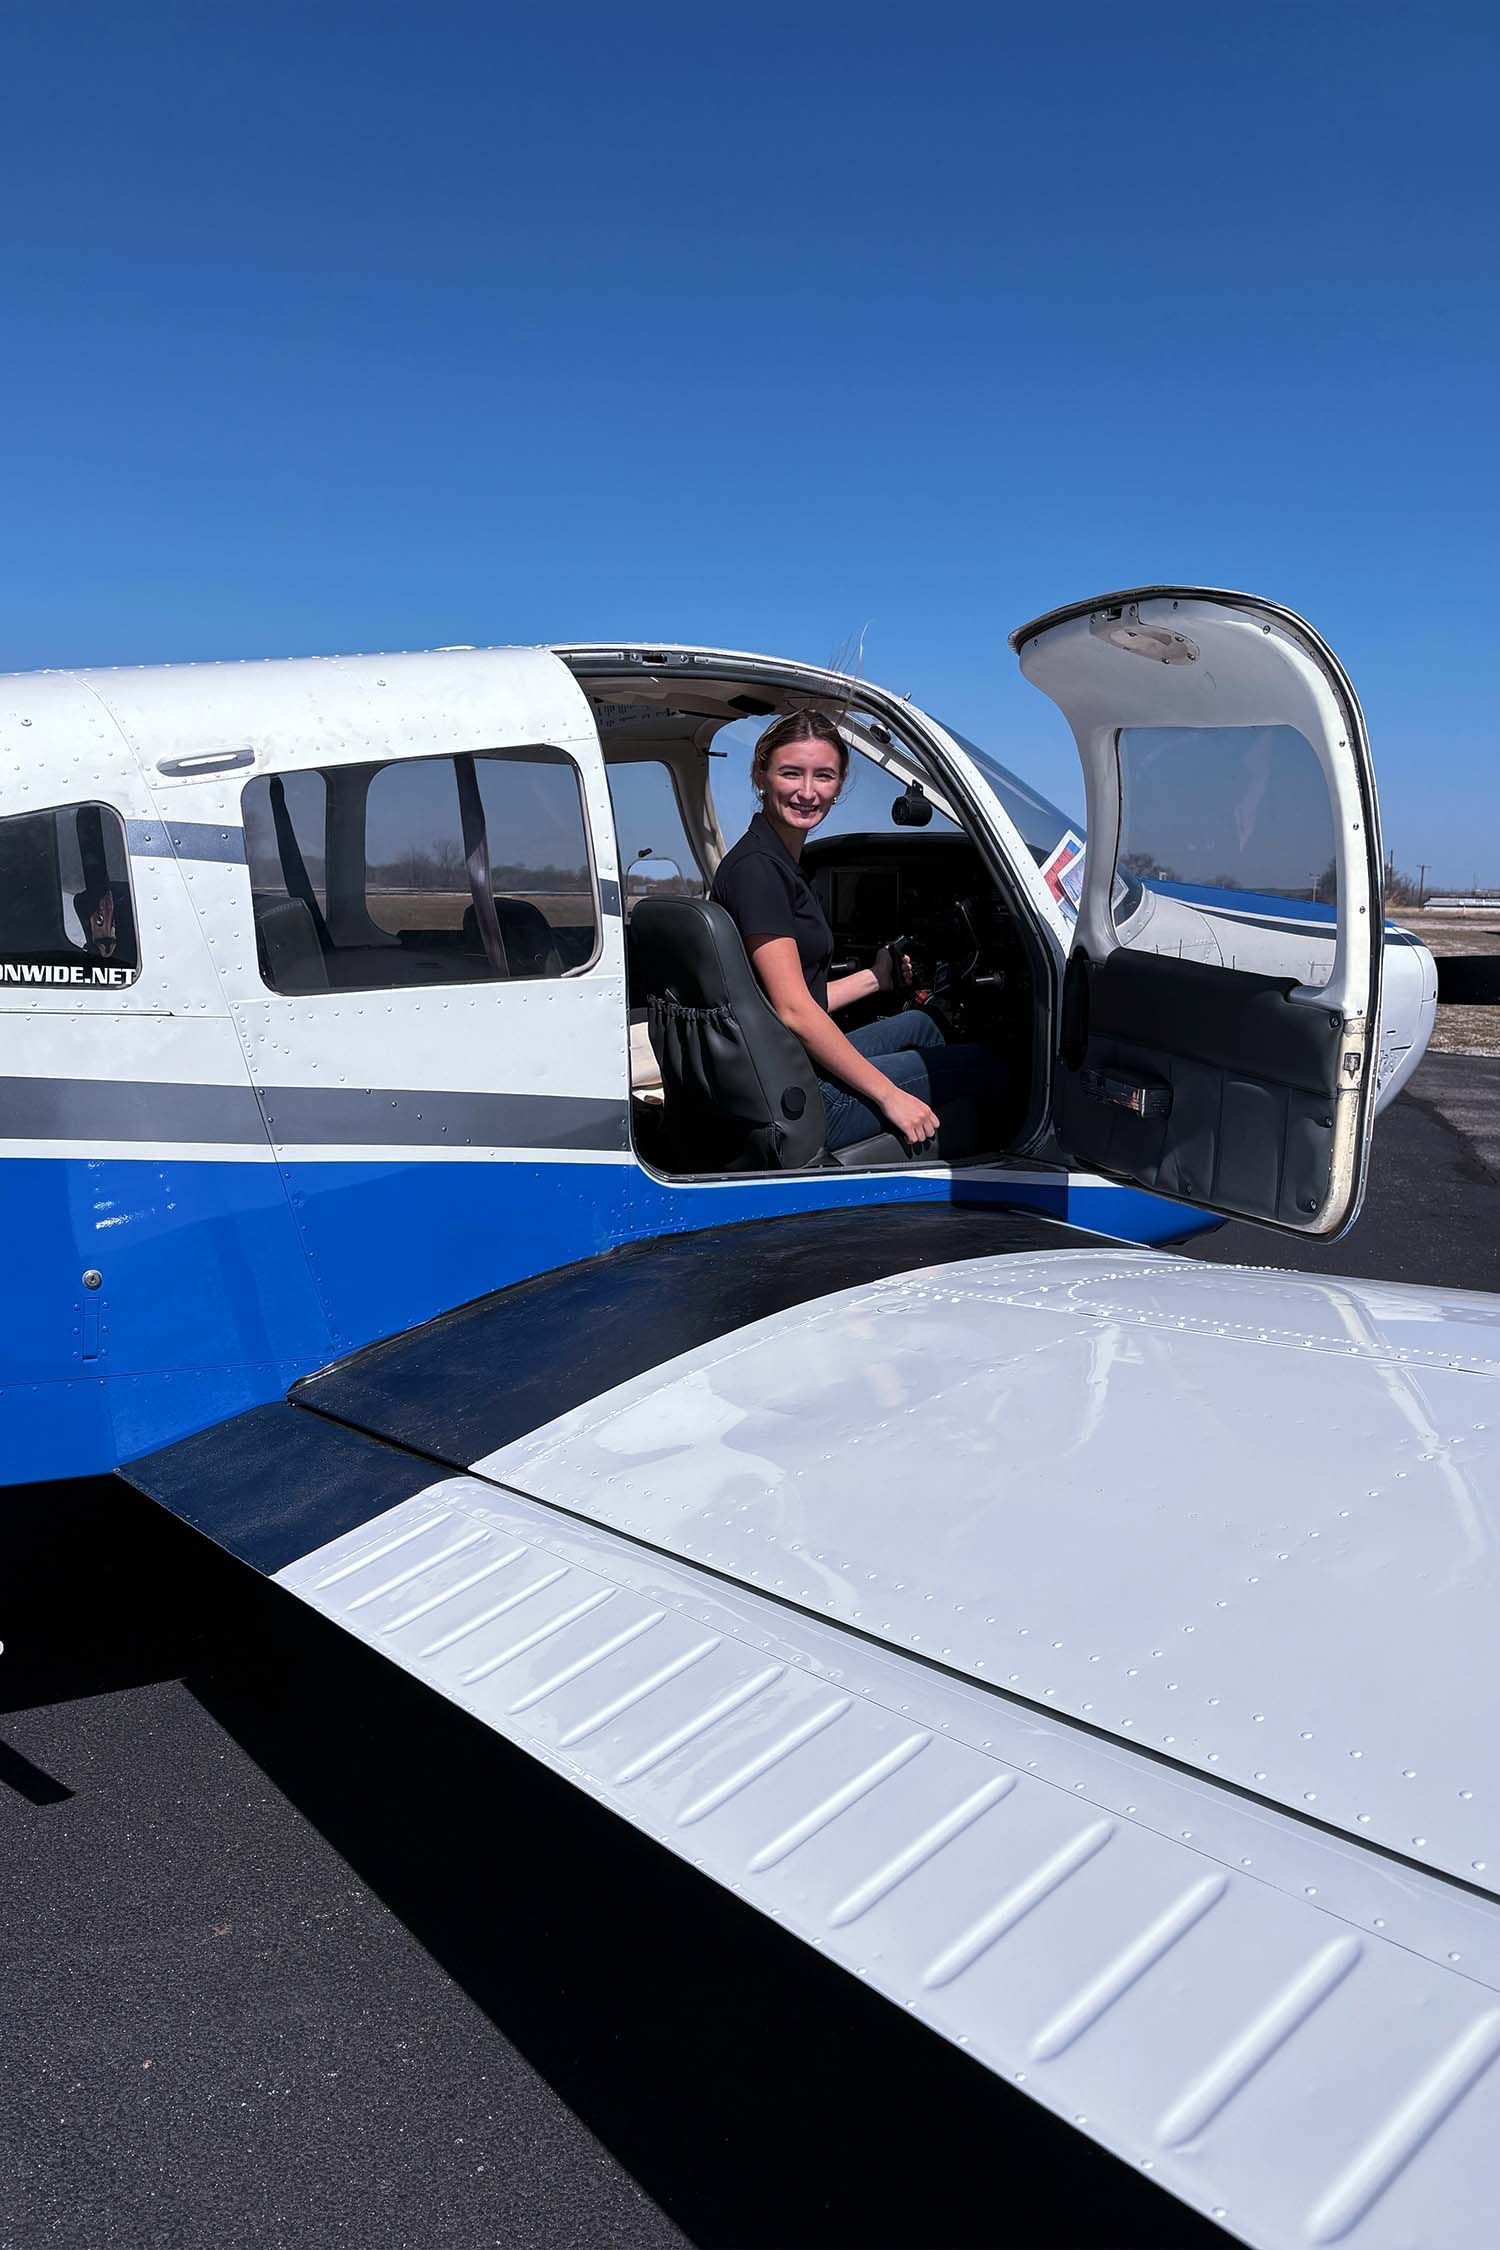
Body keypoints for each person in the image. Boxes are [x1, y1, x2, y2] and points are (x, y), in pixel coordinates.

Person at [710, 709, 998, 1155]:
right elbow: (794, 1011)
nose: (807, 792)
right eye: (791, 773)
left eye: (823, 776)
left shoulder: (773, 860)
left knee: (925, 1025)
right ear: (761, 775)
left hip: (773, 1062)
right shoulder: (758, 873)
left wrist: (877, 979)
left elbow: (792, 996)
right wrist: (890, 1095)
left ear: (839, 784)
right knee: (986, 1065)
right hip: (791, 1096)